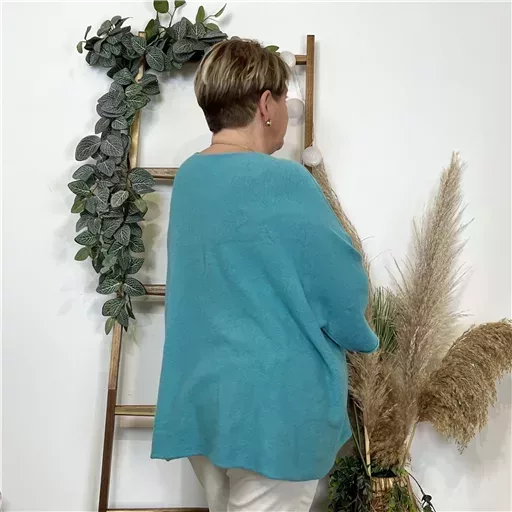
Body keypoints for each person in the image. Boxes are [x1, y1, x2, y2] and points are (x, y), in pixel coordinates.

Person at [151, 39, 379, 512]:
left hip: (204, 397)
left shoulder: (191, 178)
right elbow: (342, 287)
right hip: (273, 406)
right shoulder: (284, 180)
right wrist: (360, 335)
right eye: (284, 100)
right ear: (265, 105)